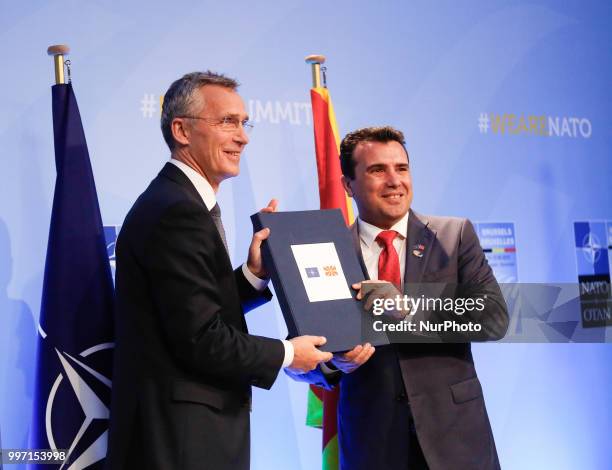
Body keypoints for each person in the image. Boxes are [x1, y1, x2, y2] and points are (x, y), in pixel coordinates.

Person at [105, 71, 332, 470]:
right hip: (181, 441)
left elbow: (185, 310)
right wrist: (287, 353)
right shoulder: (178, 210)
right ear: (182, 130)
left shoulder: (179, 201)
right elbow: (199, 338)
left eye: (244, 123)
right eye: (227, 121)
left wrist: (251, 274)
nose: (243, 137)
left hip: (186, 434)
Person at [293, 126, 509, 470]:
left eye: (402, 168)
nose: (394, 180)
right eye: (378, 170)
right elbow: (298, 359)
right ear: (348, 184)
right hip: (371, 444)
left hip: (455, 439)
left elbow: (492, 317)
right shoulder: (326, 254)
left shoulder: (454, 236)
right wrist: (334, 364)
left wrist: (409, 310)